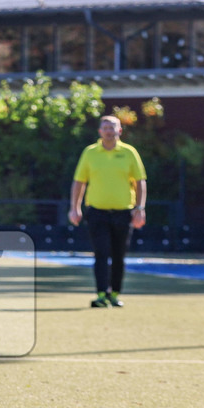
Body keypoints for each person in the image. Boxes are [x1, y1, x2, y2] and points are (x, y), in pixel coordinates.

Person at [68, 115, 147, 308]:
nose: (109, 131)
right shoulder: (90, 153)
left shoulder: (129, 153)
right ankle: (101, 294)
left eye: (113, 128)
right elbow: (79, 182)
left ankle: (115, 294)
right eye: (105, 128)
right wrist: (75, 208)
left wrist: (140, 209)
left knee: (119, 256)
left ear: (120, 131)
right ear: (99, 131)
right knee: (101, 253)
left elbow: (140, 182)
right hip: (97, 212)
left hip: (123, 212)